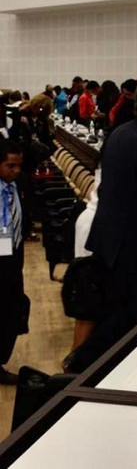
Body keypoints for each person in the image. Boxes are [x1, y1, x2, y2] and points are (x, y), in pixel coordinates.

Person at [62, 80, 137, 373]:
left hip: (110, 240)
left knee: (114, 312)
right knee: (129, 317)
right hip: (135, 247)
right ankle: (84, 366)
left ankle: (82, 366)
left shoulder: (121, 132)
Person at [0, 139, 25, 385]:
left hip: (12, 252)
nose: (16, 171)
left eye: (19, 166)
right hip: (1, 256)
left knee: (12, 307)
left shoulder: (11, 185)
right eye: (10, 166)